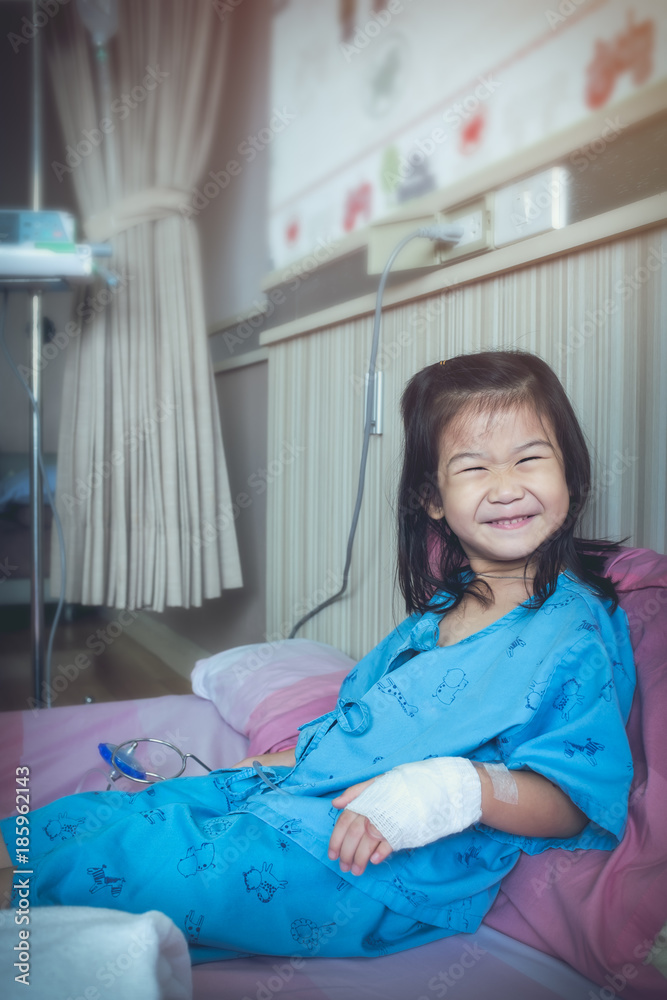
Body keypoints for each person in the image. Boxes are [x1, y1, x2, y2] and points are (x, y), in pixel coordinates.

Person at [0, 350, 635, 964]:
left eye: (530, 459)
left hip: (380, 867)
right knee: (94, 817)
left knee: (136, 861)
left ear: (570, 472)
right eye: (474, 468)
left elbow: (572, 799)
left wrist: (452, 789)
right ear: (433, 498)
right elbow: (360, 723)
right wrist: (274, 763)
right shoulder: (434, 618)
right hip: (298, 795)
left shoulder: (572, 632)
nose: (506, 487)